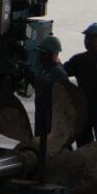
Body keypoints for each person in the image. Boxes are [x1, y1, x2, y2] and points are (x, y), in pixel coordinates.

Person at [64, 22, 97, 145]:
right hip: (83, 107)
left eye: (91, 38)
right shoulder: (78, 60)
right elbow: (62, 72)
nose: (87, 41)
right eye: (86, 37)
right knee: (83, 141)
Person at [32, 35, 68, 183]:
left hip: (51, 117)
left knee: (53, 145)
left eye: (43, 53)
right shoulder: (43, 71)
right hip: (41, 115)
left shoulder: (59, 74)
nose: (40, 56)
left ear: (52, 54)